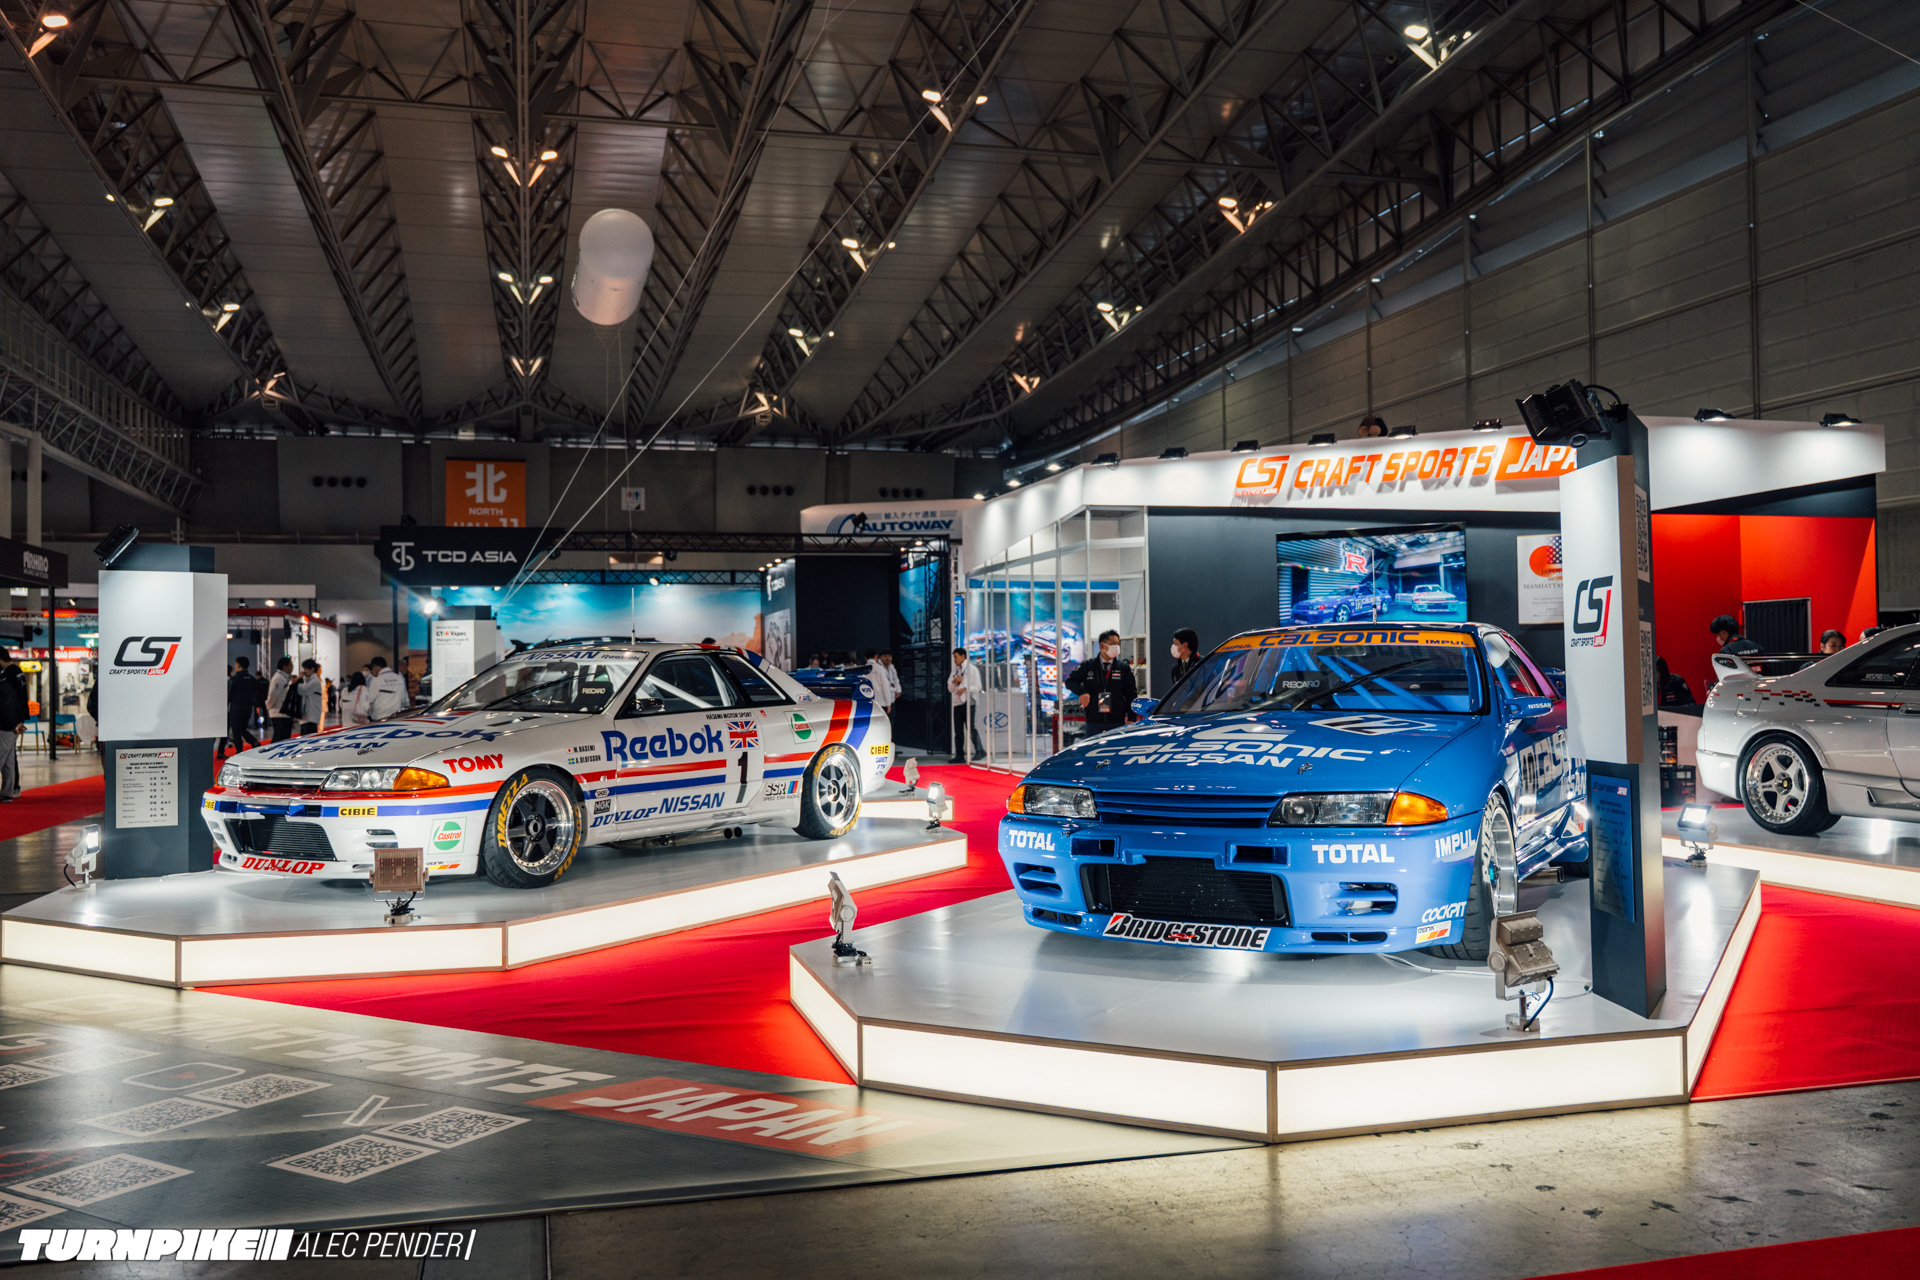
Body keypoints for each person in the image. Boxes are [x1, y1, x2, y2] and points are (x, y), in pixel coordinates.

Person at [1067, 629, 1138, 738]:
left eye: (1118, 644)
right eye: (1113, 643)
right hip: (1094, 719)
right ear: (1102, 645)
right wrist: (1082, 692)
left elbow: (1131, 694)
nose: (1116, 646)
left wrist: (1132, 718)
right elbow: (1070, 681)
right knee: (1093, 747)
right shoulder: (1088, 666)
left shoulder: (1123, 668)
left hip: (1117, 720)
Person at [947, 646, 984, 761]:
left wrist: (966, 688)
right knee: (958, 730)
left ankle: (980, 750)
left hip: (969, 702)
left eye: (956, 657)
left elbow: (978, 686)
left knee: (970, 728)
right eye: (953, 657)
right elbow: (950, 689)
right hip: (957, 703)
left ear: (963, 656)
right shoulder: (955, 671)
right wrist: (954, 681)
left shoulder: (972, 669)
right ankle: (959, 755)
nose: (954, 660)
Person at [0, 649, 26, 801]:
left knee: (2, 758)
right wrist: (19, 722)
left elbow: (4, 708)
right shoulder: (16, 674)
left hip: (6, 727)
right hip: (14, 725)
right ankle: (8, 792)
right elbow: (19, 701)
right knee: (9, 761)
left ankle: (8, 791)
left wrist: (13, 724)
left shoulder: (7, 679)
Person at [225, 656, 263, 755]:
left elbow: (230, 695)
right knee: (242, 729)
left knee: (236, 730)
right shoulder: (253, 679)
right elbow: (255, 694)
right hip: (248, 708)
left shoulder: (234, 679)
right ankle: (254, 742)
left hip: (236, 707)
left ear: (238, 665)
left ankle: (239, 751)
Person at [364, 655, 409, 721]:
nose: (372, 672)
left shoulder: (377, 681)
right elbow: (405, 700)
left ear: (376, 667)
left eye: (372, 669)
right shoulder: (399, 678)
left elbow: (369, 700)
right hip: (396, 718)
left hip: (380, 718)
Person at [267, 656, 297, 742]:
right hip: (279, 714)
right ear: (285, 667)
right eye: (291, 665)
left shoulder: (284, 677)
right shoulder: (279, 678)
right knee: (279, 740)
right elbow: (273, 695)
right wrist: (269, 706)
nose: (292, 667)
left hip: (284, 713)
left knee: (284, 739)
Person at [295, 660, 326, 735]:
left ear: (312, 669)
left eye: (306, 669)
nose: (304, 671)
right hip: (307, 717)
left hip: (311, 718)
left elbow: (301, 690)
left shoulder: (315, 682)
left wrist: (300, 678)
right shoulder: (310, 680)